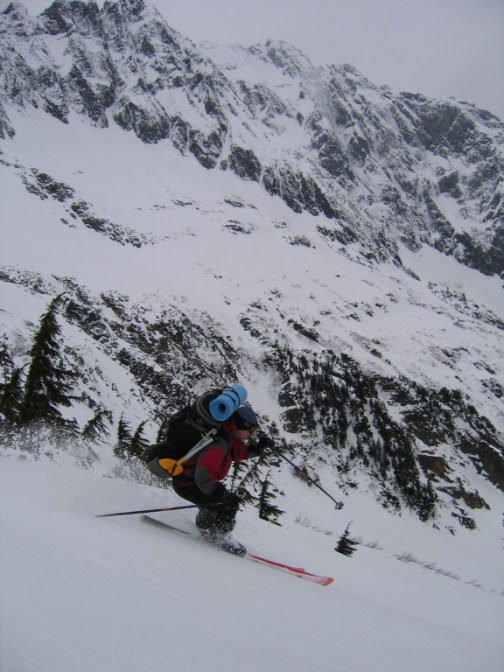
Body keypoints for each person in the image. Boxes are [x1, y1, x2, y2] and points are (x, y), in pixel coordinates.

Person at [147, 391, 272, 555]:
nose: (251, 436)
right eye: (251, 432)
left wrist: (257, 450)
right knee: (227, 505)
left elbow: (235, 452)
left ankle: (206, 523)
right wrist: (221, 495)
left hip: (190, 481)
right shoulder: (219, 443)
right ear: (241, 427)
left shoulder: (226, 434)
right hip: (188, 484)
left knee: (218, 501)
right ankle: (216, 534)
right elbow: (203, 475)